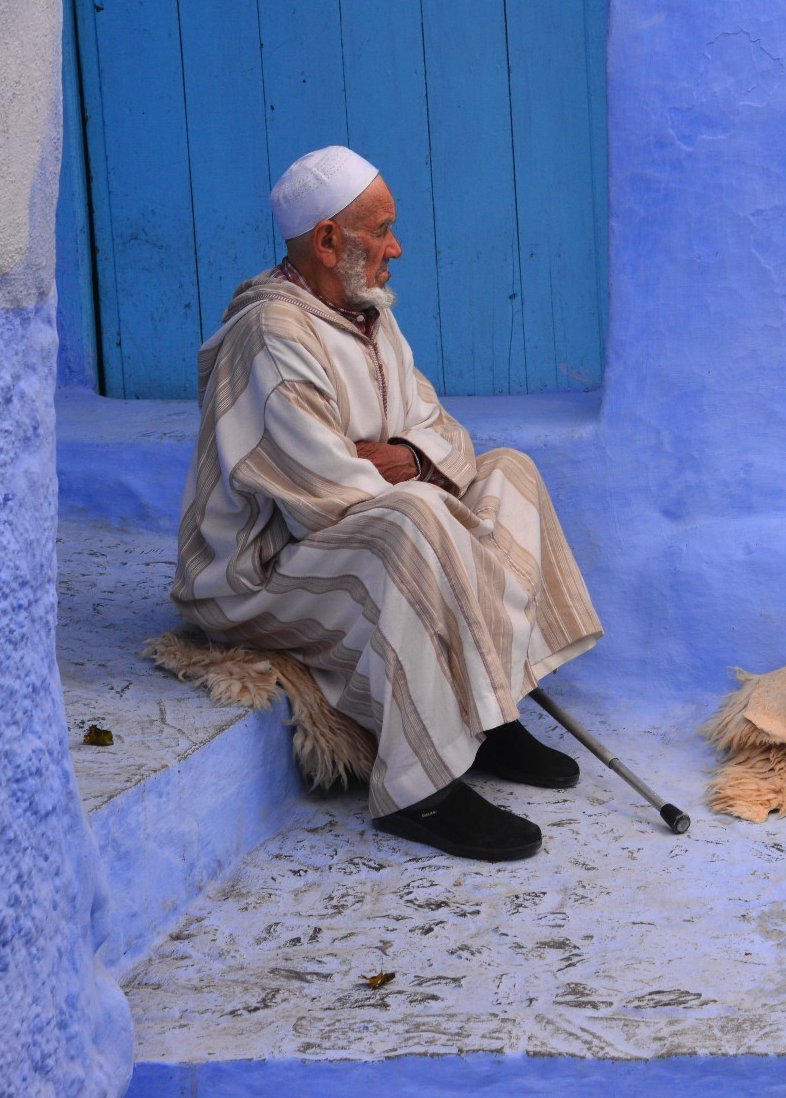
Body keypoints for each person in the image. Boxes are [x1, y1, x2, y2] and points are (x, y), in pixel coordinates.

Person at [170, 146, 603, 861]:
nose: (397, 247)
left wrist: (407, 458)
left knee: (509, 473)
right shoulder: (271, 336)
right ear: (329, 239)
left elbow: (444, 435)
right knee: (416, 519)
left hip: (363, 533)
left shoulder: (371, 316)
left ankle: (489, 716)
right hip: (264, 572)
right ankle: (418, 789)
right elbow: (323, 494)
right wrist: (417, 481)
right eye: (382, 229)